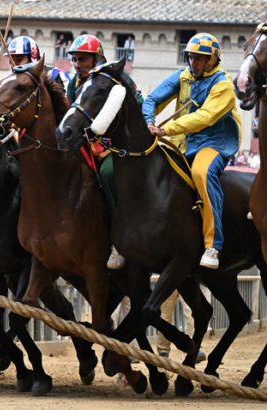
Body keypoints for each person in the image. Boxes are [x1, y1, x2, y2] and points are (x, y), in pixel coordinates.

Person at [143, 33, 241, 269]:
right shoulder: (182, 75)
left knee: (201, 173)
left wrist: (166, 129)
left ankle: (212, 245)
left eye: (200, 58)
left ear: (212, 60)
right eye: (191, 57)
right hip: (182, 140)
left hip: (214, 142)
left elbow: (205, 118)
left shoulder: (224, 84)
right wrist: (147, 121)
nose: (194, 63)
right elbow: (152, 99)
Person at [66, 34, 144, 269]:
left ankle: (120, 240)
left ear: (97, 59)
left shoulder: (116, 78)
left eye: (83, 60)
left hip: (116, 146)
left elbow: (137, 103)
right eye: (75, 60)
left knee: (109, 174)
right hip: (87, 145)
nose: (78, 65)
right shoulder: (73, 84)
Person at [157, 288, 211, 363]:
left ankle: (194, 347)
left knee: (192, 312)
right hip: (169, 280)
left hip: (187, 280)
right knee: (165, 314)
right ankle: (163, 351)